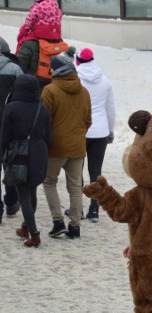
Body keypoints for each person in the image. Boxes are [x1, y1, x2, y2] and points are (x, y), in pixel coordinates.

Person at [41, 46, 91, 240]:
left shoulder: (50, 90)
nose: (50, 71)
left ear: (57, 70)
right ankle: (75, 226)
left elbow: (45, 121)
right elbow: (88, 120)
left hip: (55, 146)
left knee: (49, 182)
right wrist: (78, 135)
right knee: (75, 186)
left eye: (51, 68)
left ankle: (58, 222)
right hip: (78, 146)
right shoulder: (84, 92)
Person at [1, 74, 51, 248]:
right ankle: (24, 228)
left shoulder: (11, 108)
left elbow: (4, 136)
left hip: (20, 155)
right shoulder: (42, 108)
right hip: (40, 154)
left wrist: (3, 155)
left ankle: (34, 235)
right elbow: (48, 136)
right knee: (32, 191)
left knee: (24, 196)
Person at [75, 47, 115, 222]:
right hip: (100, 131)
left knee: (77, 170)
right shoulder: (105, 81)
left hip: (81, 129)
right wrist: (110, 130)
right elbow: (110, 109)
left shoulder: (75, 79)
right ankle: (94, 209)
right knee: (95, 171)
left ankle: (78, 209)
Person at [16, 0, 65, 86]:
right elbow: (59, 17)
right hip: (55, 35)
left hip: (40, 34)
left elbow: (28, 23)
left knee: (22, 44)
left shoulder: (37, 6)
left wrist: (21, 35)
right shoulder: (56, 5)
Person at [0, 37, 23, 222]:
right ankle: (12, 200)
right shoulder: (15, 69)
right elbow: (23, 95)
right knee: (10, 163)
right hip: (10, 124)